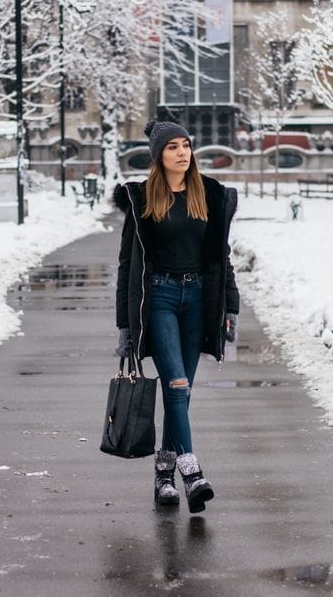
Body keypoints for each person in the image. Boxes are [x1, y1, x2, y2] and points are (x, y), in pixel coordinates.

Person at [113, 120, 239, 514]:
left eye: (186, 145)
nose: (182, 153)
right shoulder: (141, 200)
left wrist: (230, 306)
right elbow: (126, 266)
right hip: (161, 298)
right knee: (178, 383)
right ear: (158, 156)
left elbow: (222, 256)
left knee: (179, 393)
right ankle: (191, 472)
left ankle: (163, 474)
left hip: (199, 298)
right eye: (172, 147)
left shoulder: (210, 195)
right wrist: (124, 325)